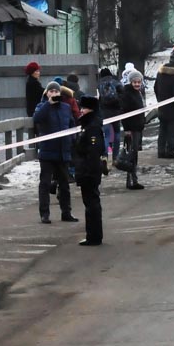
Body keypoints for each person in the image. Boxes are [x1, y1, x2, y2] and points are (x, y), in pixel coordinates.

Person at [33, 81, 77, 223]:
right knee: (45, 183)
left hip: (63, 151)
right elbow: (37, 119)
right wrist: (48, 104)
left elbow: (72, 124)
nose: (54, 94)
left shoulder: (66, 107)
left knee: (64, 184)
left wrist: (72, 139)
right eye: (51, 91)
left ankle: (66, 212)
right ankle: (44, 213)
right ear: (46, 93)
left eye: (56, 92)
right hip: (47, 151)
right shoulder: (42, 107)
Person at [73, 96, 105, 245]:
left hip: (89, 170)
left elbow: (93, 151)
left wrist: (89, 172)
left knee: (91, 203)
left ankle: (94, 236)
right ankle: (92, 234)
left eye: (83, 108)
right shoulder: (89, 125)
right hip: (87, 169)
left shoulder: (92, 127)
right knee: (90, 203)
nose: (81, 111)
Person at [120, 70, 146, 190]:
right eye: (134, 82)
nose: (137, 84)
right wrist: (127, 129)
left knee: (134, 155)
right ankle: (132, 180)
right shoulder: (127, 94)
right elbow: (124, 113)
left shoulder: (138, 92)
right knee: (131, 155)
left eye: (138, 82)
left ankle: (132, 179)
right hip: (132, 129)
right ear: (130, 82)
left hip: (138, 127)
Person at [154, 53, 174, 158]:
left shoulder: (160, 73)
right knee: (172, 129)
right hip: (173, 108)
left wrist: (160, 100)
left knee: (162, 130)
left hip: (162, 105)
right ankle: (170, 150)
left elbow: (155, 87)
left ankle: (160, 151)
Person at [97, 67, 123, 159]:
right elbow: (123, 94)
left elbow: (99, 98)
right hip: (116, 111)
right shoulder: (116, 82)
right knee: (117, 133)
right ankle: (116, 156)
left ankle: (105, 155)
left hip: (104, 112)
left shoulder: (99, 84)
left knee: (107, 134)